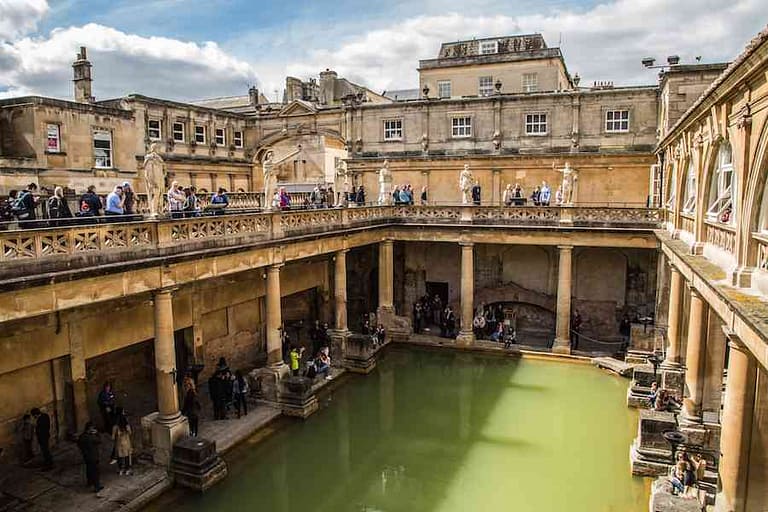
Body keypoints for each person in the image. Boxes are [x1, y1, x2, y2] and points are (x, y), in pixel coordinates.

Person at [77, 422, 103, 492]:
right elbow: (99, 440)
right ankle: (97, 487)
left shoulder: (82, 436)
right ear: (90, 428)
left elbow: (79, 444)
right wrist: (97, 433)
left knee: (89, 470)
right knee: (95, 472)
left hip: (86, 456)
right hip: (93, 457)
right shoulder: (91, 437)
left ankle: (90, 482)